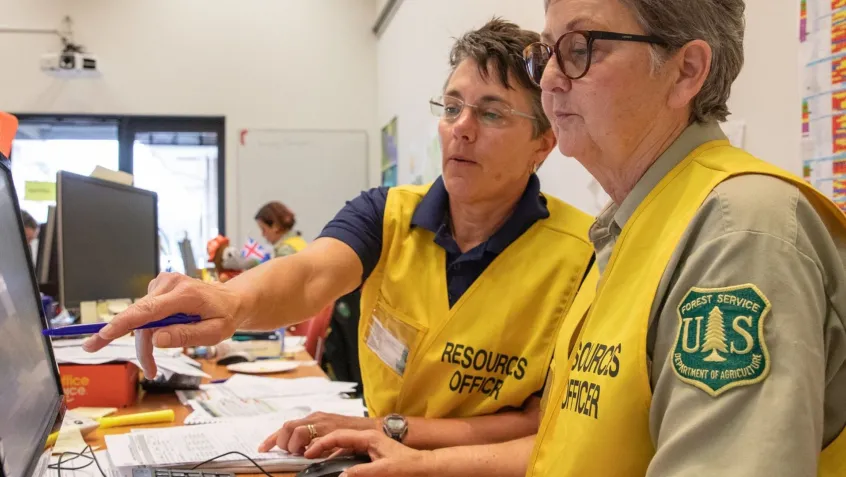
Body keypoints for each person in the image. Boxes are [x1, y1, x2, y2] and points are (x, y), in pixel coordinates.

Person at [299, 0, 846, 475]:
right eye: (548, 52)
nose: (550, 78)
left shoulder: (740, 230)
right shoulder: (626, 226)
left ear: (686, 71)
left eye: (582, 47)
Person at [83, 19, 596, 456]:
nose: (461, 128)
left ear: (544, 143)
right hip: (376, 456)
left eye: (491, 113)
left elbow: (544, 424)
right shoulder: (387, 214)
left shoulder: (584, 254)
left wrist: (390, 431)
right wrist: (230, 301)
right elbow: (309, 275)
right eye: (452, 107)